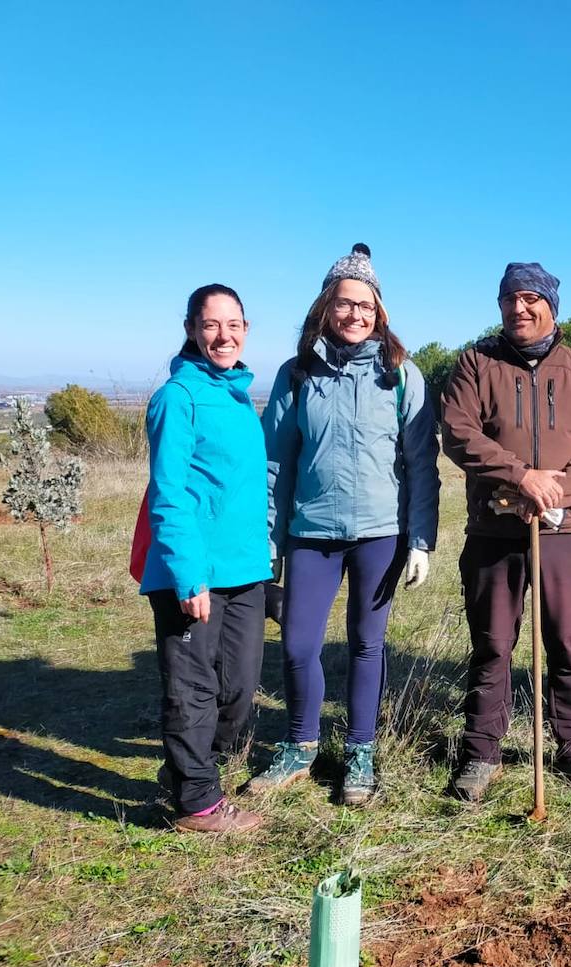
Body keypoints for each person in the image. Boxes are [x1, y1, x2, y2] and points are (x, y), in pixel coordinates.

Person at [252, 244, 440, 806]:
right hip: (312, 532)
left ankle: (361, 751)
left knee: (367, 643)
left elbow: (420, 462)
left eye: (365, 305)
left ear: (378, 311)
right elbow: (274, 463)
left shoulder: (400, 374)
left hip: (379, 533)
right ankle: (301, 746)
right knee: (297, 644)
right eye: (344, 304)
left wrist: (421, 539)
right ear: (325, 308)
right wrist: (269, 541)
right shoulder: (297, 373)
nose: (355, 315)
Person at [441, 262, 571, 802]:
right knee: (492, 645)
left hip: (565, 533)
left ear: (549, 304)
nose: (518, 310)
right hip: (494, 531)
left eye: (528, 299)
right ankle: (481, 752)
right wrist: (522, 478)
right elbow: (457, 431)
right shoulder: (476, 363)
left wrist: (557, 492)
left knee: (569, 644)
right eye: (508, 301)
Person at [140, 284, 271, 832]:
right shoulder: (179, 396)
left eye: (235, 324)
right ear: (192, 328)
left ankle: (194, 771)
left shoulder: (240, 394)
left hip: (245, 570)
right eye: (213, 324)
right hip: (193, 576)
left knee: (239, 686)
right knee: (193, 687)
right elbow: (168, 493)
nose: (225, 335)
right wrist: (187, 575)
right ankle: (197, 803)